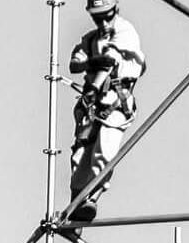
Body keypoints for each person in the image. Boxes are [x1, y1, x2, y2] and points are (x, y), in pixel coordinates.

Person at [68, 0, 146, 223]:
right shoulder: (92, 38)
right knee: (81, 154)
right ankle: (77, 206)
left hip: (114, 101)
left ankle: (92, 197)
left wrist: (94, 84)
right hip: (92, 105)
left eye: (105, 15)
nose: (101, 20)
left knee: (105, 152)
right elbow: (76, 62)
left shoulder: (125, 31)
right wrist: (90, 63)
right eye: (97, 16)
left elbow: (109, 62)